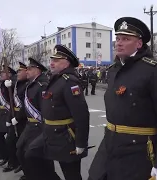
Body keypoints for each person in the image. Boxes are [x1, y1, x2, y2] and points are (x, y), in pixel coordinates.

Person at [88, 17, 157, 180]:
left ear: (139, 44)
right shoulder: (114, 69)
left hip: (138, 150)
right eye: (118, 38)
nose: (119, 43)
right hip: (109, 144)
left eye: (126, 39)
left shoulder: (154, 69)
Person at [42, 44, 90, 180]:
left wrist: (81, 143)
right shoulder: (57, 79)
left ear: (66, 63)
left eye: (56, 60)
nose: (51, 63)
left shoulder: (69, 82)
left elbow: (81, 115)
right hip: (53, 135)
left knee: (71, 175)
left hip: (66, 137)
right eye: (52, 60)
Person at [21, 57, 60, 180]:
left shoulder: (42, 85)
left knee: (40, 158)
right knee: (22, 151)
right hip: (30, 126)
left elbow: (46, 109)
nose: (27, 71)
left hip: (39, 126)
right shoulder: (31, 84)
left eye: (29, 69)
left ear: (37, 70)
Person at [13, 62, 29, 179]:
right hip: (19, 117)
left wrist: (17, 117)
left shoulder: (28, 85)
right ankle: (25, 169)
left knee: (25, 149)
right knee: (20, 147)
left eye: (20, 71)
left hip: (26, 119)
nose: (18, 73)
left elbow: (25, 105)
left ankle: (29, 171)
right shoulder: (18, 84)